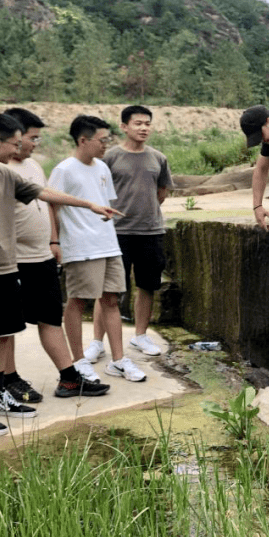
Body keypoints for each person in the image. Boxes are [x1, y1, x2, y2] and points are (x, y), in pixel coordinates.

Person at [0, 113, 119, 436]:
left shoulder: (5, 174)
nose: (26, 146)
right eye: (20, 141)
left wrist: (88, 205)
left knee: (6, 329)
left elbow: (45, 196)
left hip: (9, 265)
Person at [4, 107, 109, 399]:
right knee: (8, 325)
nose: (35, 144)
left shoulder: (33, 166)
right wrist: (87, 204)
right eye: (32, 138)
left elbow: (46, 200)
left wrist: (53, 240)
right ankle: (8, 377)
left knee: (51, 317)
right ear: (13, 136)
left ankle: (69, 378)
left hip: (41, 257)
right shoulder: (0, 170)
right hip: (13, 261)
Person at [50, 115, 146, 384]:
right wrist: (54, 241)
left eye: (107, 140)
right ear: (83, 140)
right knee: (78, 302)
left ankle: (118, 360)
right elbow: (51, 204)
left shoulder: (102, 168)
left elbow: (104, 202)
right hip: (81, 247)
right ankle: (78, 360)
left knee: (112, 301)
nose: (105, 145)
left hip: (107, 243)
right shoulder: (64, 170)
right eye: (101, 140)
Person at [90, 105, 173, 360]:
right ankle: (96, 342)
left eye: (147, 123)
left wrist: (145, 212)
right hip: (116, 232)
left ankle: (140, 335)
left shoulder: (157, 158)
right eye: (138, 123)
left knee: (147, 285)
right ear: (124, 126)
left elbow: (162, 191)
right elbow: (97, 191)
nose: (144, 128)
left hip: (150, 231)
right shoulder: (110, 157)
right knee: (108, 290)